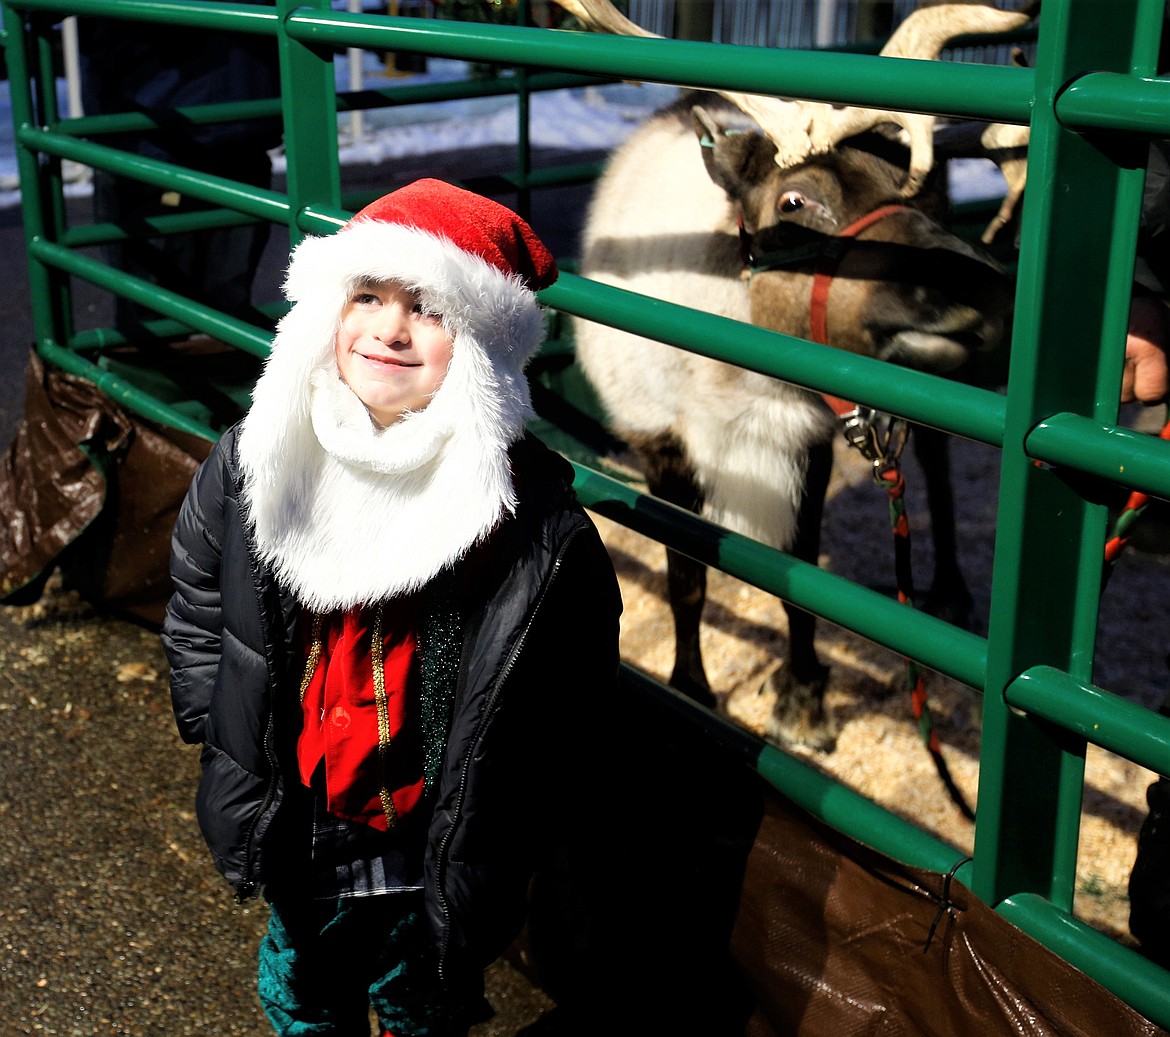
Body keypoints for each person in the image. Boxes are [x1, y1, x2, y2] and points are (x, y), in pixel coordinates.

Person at [160, 178, 624, 1036]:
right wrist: (215, 715)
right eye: (366, 295)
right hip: (300, 816)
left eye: (429, 308)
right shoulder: (262, 457)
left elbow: (574, 677)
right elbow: (197, 586)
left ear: (483, 346)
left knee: (424, 1000)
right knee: (301, 989)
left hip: (433, 839)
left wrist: (512, 808)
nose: (387, 327)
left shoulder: (527, 521)